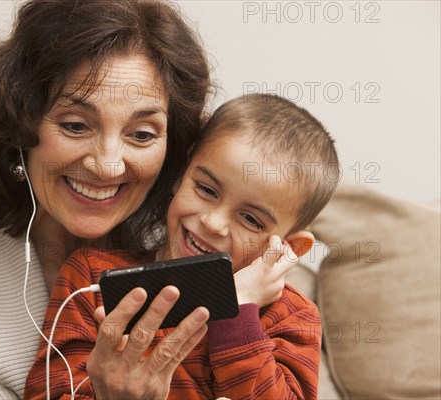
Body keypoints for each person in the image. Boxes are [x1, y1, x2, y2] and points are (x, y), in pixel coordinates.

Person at [0, 0, 214, 398]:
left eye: (142, 134)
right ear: (19, 127)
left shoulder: (198, 243)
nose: (108, 166)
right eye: (76, 125)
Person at [24, 93, 340, 399]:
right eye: (205, 189)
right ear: (180, 175)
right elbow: (49, 393)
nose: (213, 223)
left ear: (290, 247)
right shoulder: (92, 278)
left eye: (251, 219)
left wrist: (238, 308)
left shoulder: (291, 317)